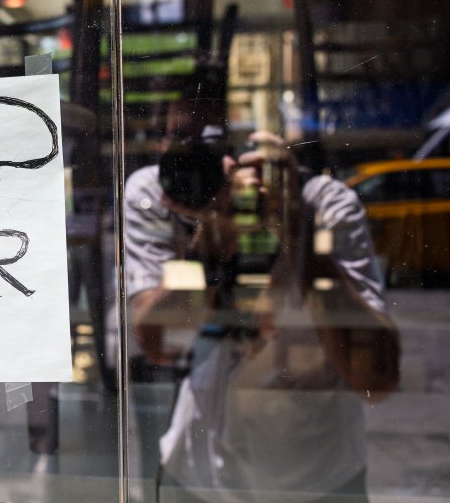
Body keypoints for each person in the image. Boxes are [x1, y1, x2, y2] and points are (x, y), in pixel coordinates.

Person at [124, 93, 401, 502]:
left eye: (217, 144)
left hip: (315, 476)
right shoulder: (158, 193)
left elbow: (374, 377)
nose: (198, 160)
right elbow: (160, 345)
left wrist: (295, 227)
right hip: (198, 469)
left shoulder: (322, 202)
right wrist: (209, 241)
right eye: (181, 141)